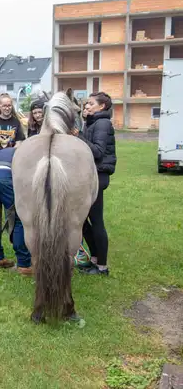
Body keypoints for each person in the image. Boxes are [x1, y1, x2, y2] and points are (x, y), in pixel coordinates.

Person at [78, 92, 116, 276]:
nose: (88, 106)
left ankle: (102, 266)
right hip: (89, 175)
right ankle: (94, 258)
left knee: (97, 221)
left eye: (91, 103)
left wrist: (77, 135)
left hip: (97, 176)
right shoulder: (92, 122)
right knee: (82, 220)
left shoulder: (102, 123)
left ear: (102, 106)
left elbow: (98, 152)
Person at [0, 147, 32, 275]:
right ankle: (24, 264)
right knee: (18, 217)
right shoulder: (29, 153)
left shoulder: (10, 150)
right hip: (4, 174)